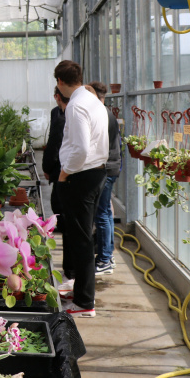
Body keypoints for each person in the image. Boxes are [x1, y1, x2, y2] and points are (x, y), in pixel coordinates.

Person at [55, 60, 108, 318]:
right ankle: (79, 292)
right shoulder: (93, 100)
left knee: (82, 239)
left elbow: (82, 149)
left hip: (80, 176)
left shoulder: (76, 106)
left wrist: (64, 173)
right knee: (82, 235)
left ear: (60, 82)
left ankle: (85, 302)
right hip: (96, 173)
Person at [89, 81, 121, 275]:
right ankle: (107, 255)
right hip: (112, 167)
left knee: (101, 214)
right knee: (106, 213)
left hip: (106, 169)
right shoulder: (107, 113)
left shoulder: (102, 115)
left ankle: (104, 260)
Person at [42, 87, 73, 279]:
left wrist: (48, 168)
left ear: (58, 96)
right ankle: (72, 271)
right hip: (75, 174)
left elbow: (54, 145)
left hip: (66, 174)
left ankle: (71, 271)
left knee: (64, 218)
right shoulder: (59, 113)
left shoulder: (63, 118)